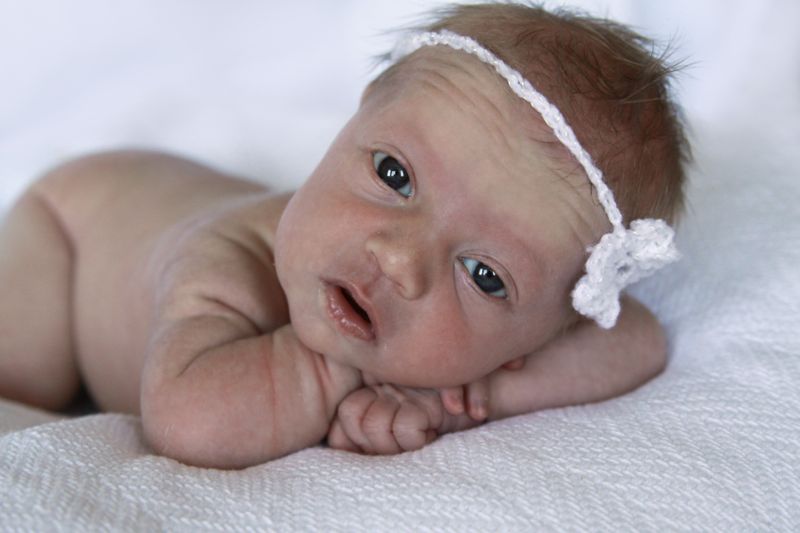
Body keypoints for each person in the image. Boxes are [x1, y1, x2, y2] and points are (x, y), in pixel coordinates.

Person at [0, 3, 687, 469]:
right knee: (23, 371)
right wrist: (348, 369)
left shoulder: (524, 328)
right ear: (351, 124)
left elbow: (639, 340)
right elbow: (187, 421)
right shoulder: (225, 263)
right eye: (393, 173)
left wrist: (461, 394)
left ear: (536, 335)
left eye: (484, 275)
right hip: (75, 223)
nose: (399, 258)